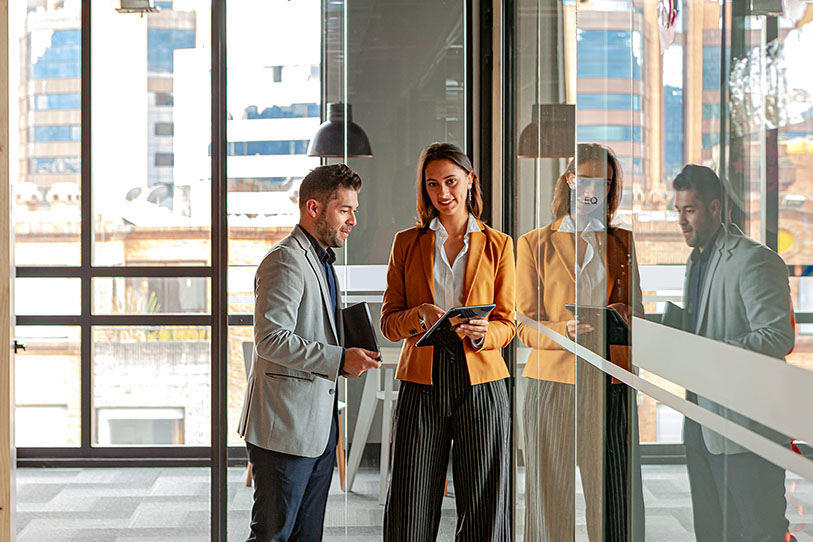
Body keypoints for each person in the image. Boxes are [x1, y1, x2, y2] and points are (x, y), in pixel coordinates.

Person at [237, 164, 382, 542]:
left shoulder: (320, 259)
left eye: (354, 210)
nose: (352, 220)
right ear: (313, 208)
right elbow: (270, 339)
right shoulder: (285, 260)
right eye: (344, 210)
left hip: (317, 426)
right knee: (273, 535)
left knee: (306, 536)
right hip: (285, 428)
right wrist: (338, 359)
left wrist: (346, 356)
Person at [380, 143, 515, 541]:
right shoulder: (407, 242)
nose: (443, 194)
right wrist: (419, 314)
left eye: (452, 182)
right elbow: (389, 323)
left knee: (485, 504)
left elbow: (509, 323)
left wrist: (485, 333)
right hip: (423, 378)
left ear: (471, 181)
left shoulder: (499, 245)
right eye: (433, 184)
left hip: (482, 380)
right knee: (411, 500)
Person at [516, 143, 645, 541]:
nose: (594, 189)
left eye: (603, 183)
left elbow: (637, 313)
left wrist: (625, 312)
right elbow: (522, 323)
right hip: (552, 383)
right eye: (586, 179)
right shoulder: (534, 243)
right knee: (549, 497)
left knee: (612, 499)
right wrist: (562, 330)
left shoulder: (622, 242)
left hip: (610, 380)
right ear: (570, 179)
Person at [672, 164, 796, 542]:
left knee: (761, 530)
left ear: (714, 208)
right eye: (677, 211)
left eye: (689, 210)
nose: (681, 221)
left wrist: (710, 351)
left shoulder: (754, 260)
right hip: (700, 420)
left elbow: (777, 337)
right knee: (713, 530)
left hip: (746, 427)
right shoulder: (696, 261)